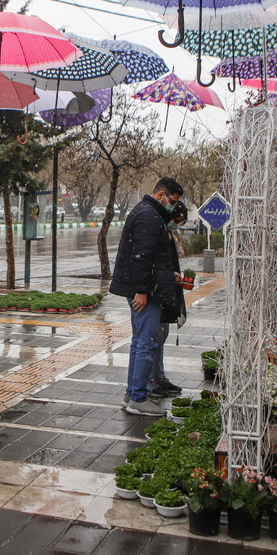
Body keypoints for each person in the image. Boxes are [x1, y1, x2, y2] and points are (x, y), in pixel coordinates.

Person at [109, 177, 184, 416]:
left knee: (140, 342)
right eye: (172, 201)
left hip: (147, 289)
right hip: (147, 293)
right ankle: (138, 398)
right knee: (146, 343)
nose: (172, 207)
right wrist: (141, 290)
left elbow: (152, 256)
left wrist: (167, 273)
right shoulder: (150, 216)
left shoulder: (148, 213)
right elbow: (141, 256)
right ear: (161, 195)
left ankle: (132, 394)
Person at [148, 200, 189, 398]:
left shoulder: (167, 232)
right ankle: (149, 381)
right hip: (157, 291)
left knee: (161, 336)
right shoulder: (157, 230)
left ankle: (159, 377)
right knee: (152, 338)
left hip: (166, 288)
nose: (177, 225)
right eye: (176, 220)